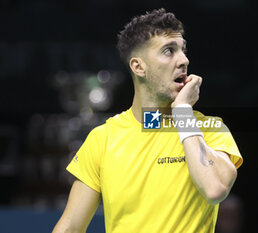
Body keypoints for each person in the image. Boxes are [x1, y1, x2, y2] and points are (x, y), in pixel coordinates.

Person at [52, 8, 243, 233]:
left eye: (183, 50)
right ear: (138, 67)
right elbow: (70, 227)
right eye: (169, 51)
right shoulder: (103, 139)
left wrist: (182, 112)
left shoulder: (209, 129)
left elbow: (214, 190)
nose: (184, 60)